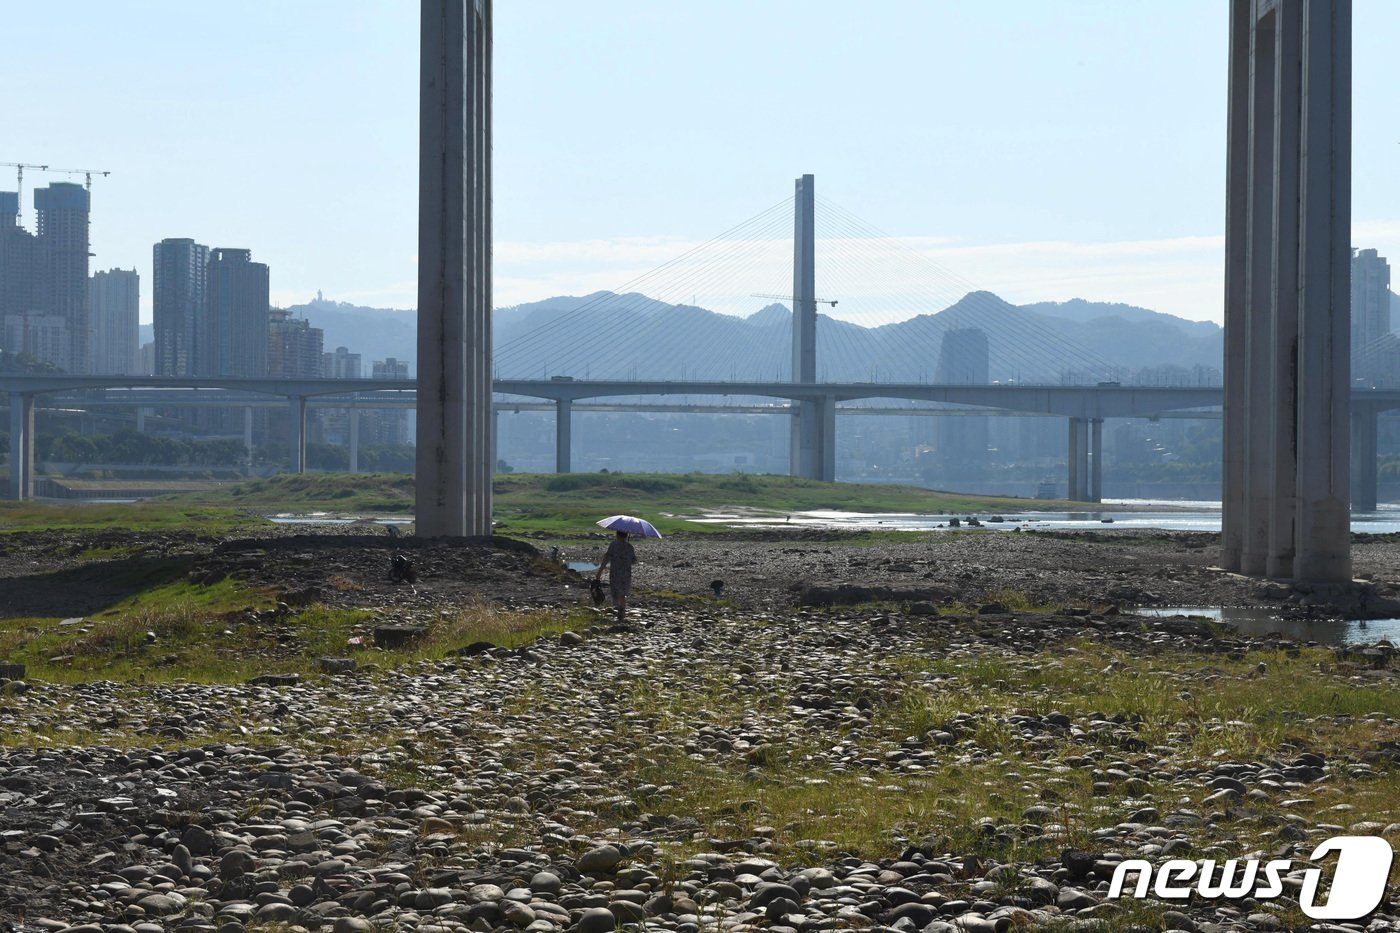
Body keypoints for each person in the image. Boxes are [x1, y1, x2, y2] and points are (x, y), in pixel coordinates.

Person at [595, 530, 637, 622]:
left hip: (616, 572)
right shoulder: (629, 546)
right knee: (623, 592)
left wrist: (600, 571)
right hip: (626, 573)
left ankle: (620, 611)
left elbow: (607, 558)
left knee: (616, 592)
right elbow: (634, 560)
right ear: (626, 536)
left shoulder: (613, 545)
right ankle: (621, 612)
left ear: (617, 535)